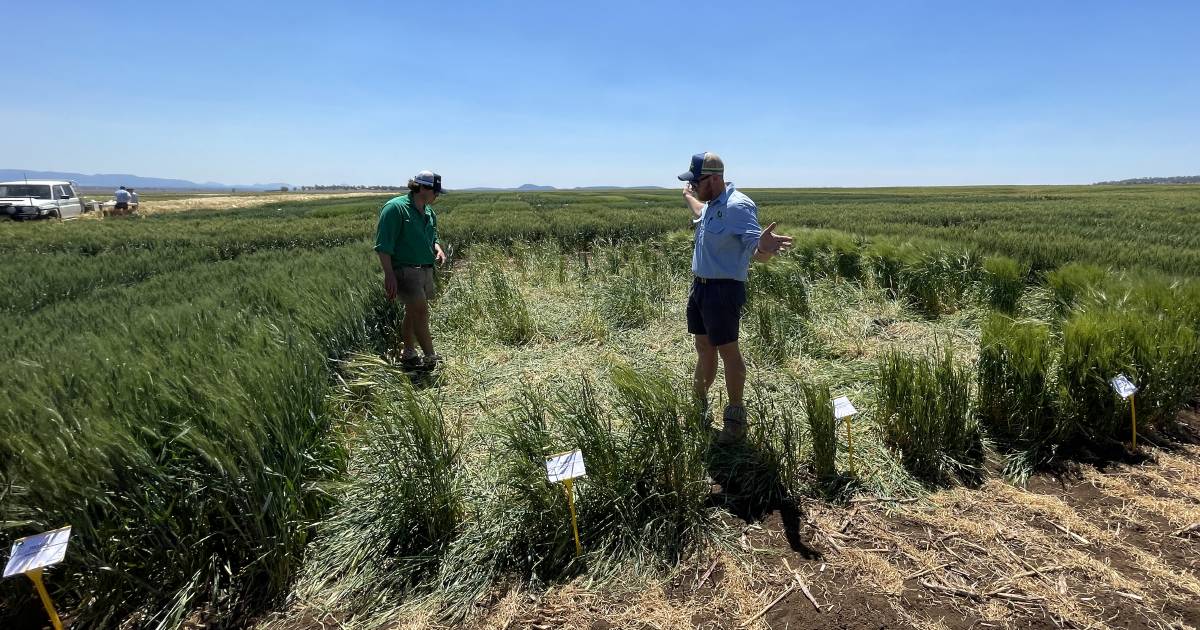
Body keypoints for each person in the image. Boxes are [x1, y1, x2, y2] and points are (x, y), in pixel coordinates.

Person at [679, 152, 793, 444]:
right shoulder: (711, 205)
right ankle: (699, 405)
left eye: (696, 181)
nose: (693, 186)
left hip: (723, 290)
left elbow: (757, 251)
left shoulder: (737, 206)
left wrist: (765, 247)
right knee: (703, 346)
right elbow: (698, 212)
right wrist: (687, 195)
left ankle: (735, 418)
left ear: (714, 178)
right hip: (701, 288)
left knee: (728, 351)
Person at [373, 170, 448, 370]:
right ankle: (431, 357)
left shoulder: (429, 211)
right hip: (405, 271)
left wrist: (438, 249)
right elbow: (383, 245)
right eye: (435, 191)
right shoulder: (395, 208)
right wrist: (389, 275)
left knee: (412, 312)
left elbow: (431, 237)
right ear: (422, 188)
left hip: (425, 269)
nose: (437, 196)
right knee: (421, 313)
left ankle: (408, 352)